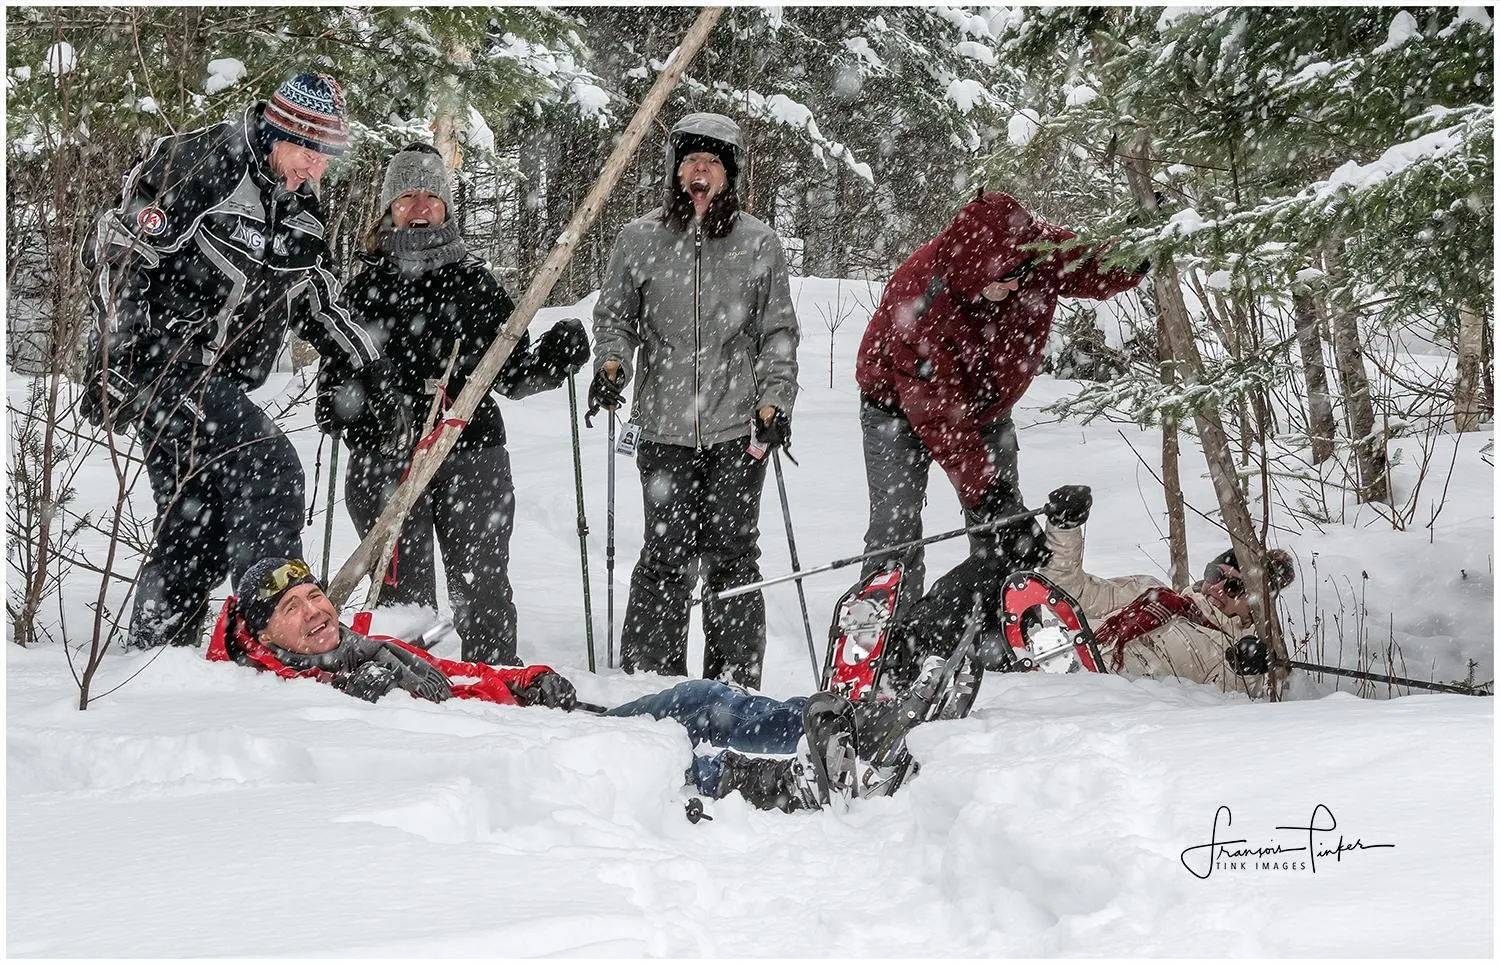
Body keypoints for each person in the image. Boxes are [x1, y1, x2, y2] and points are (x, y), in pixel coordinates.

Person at [78, 72, 409, 651]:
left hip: (221, 380)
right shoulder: (201, 161)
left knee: (193, 523)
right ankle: (277, 631)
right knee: (269, 466)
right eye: (308, 153)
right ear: (278, 131)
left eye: (325, 158)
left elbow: (318, 297)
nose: (315, 171)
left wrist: (373, 369)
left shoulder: (302, 213)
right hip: (161, 362)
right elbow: (116, 251)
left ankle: (156, 654)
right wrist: (115, 356)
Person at [317, 143, 590, 666]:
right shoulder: (362, 291)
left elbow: (513, 374)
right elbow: (330, 400)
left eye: (429, 196)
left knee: (483, 588)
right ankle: (404, 692)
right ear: (389, 208)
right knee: (402, 602)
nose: (419, 207)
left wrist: (555, 358)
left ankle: (493, 688)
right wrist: (371, 410)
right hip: (386, 465)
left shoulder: (475, 283)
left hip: (473, 454)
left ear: (446, 206)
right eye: (406, 196)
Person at [588, 112, 800, 689]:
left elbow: (777, 332)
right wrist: (612, 363)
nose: (699, 171)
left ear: (729, 173)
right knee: (665, 555)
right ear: (675, 172)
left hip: (738, 429)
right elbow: (615, 319)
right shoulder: (640, 240)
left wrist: (775, 400)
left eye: (711, 162)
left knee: (733, 555)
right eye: (689, 161)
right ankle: (652, 678)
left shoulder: (759, 243)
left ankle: (735, 683)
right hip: (663, 427)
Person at [854, 190, 1148, 598]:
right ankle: (880, 638)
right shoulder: (922, 295)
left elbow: (1088, 263)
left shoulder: (1033, 254)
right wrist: (990, 495)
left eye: (1018, 275)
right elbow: (938, 413)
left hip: (987, 409)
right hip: (897, 410)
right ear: (974, 269)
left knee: (1001, 534)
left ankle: (997, 631)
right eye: (1003, 278)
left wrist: (1134, 253)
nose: (1013, 286)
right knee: (896, 530)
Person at [208, 556, 578, 709]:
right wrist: (353, 705)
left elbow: (461, 677)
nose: (313, 612)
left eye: (315, 595)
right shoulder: (260, 691)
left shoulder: (373, 649)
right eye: (291, 607)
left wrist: (527, 682)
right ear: (266, 635)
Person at [1036, 485, 1294, 695]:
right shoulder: (1150, 591)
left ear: (1255, 603)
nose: (1216, 588)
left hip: (1101, 705)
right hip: (1042, 674)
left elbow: (1221, 709)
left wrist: (1244, 672)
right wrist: (1064, 526)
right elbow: (1071, 594)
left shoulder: (1228, 652)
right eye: (1215, 574)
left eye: (1234, 586)